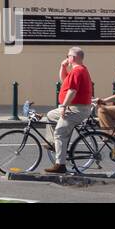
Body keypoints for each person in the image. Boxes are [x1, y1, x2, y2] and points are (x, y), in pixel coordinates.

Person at [44, 46, 93, 174]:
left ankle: (60, 165)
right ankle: (53, 144)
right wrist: (63, 67)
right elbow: (64, 81)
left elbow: (72, 91)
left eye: (68, 56)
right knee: (50, 115)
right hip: (76, 107)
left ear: (73, 58)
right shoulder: (77, 70)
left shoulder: (78, 71)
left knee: (60, 132)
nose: (67, 58)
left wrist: (64, 106)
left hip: (77, 108)